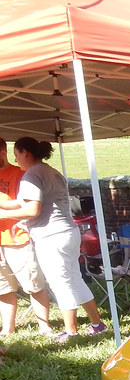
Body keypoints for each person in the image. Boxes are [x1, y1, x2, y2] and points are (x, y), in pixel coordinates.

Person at [0, 137, 104, 344]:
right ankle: (97, 324)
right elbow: (23, 202)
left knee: (61, 283)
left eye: (17, 154)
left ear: (25, 153)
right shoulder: (50, 171)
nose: (16, 158)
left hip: (51, 236)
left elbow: (31, 209)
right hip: (67, 232)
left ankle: (70, 332)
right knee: (74, 279)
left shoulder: (32, 175)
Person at [0, 137, 51, 340]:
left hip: (18, 238)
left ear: (2, 153)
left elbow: (29, 207)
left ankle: (44, 326)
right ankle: (8, 328)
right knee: (2, 287)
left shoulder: (22, 175)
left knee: (33, 284)